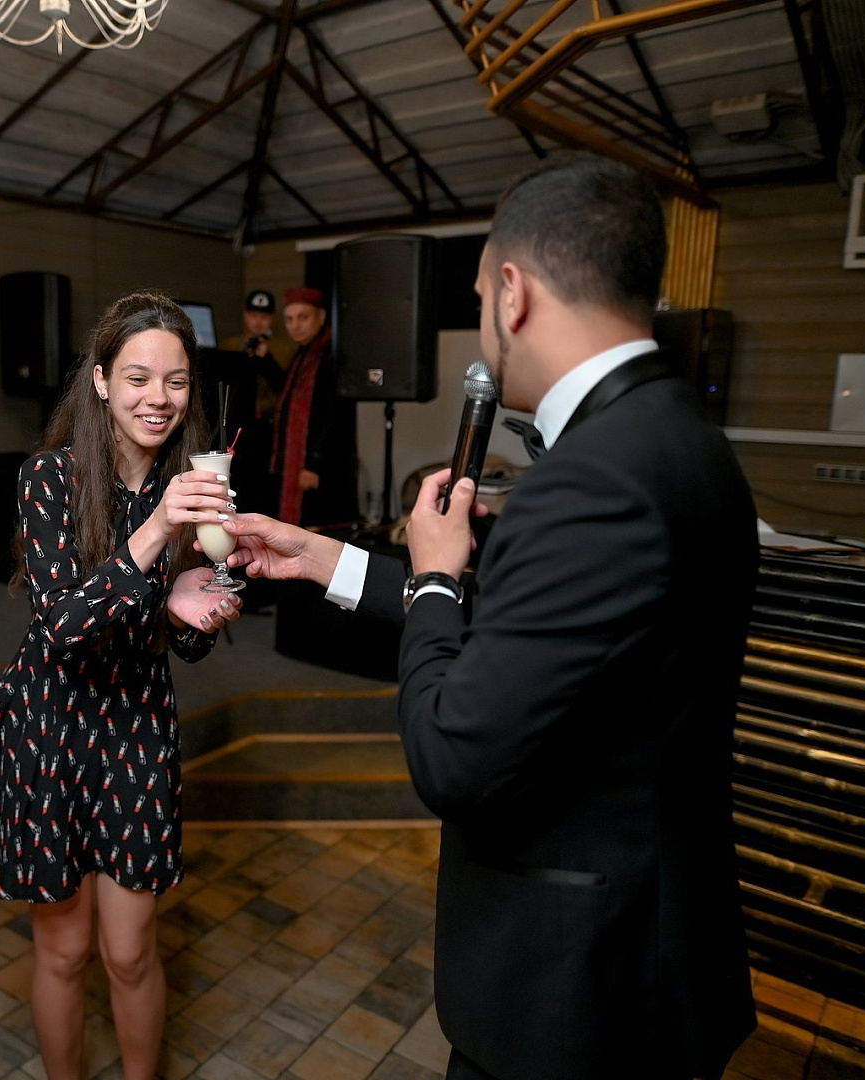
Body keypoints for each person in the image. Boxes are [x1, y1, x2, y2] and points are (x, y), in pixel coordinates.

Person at [222, 153, 759, 1080]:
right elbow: (541, 642)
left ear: (512, 294)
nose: (482, 322)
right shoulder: (680, 439)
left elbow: (453, 758)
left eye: (476, 297)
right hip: (650, 953)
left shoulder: (591, 482)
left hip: (580, 996)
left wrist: (435, 576)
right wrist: (320, 558)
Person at [0, 291, 241, 1080]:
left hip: (137, 723)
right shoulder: (50, 478)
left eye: (175, 381)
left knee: (130, 952)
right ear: (102, 381)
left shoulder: (193, 485)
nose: (157, 398)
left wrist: (195, 611)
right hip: (49, 725)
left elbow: (184, 644)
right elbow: (64, 626)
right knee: (65, 950)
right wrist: (156, 531)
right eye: (138, 377)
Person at [269, 285, 357, 526]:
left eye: (303, 317)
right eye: (289, 319)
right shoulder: (303, 355)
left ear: (321, 317)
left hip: (323, 465)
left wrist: (313, 464)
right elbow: (287, 394)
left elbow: (335, 414)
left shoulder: (330, 356)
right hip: (303, 462)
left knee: (320, 526)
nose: (295, 325)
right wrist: (265, 360)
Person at [215, 289, 289, 517]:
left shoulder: (285, 349)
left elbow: (285, 388)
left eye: (264, 316)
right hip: (237, 426)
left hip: (268, 428)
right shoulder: (229, 345)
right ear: (245, 315)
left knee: (265, 490)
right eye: (253, 315)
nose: (258, 321)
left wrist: (265, 358)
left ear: (272, 318)